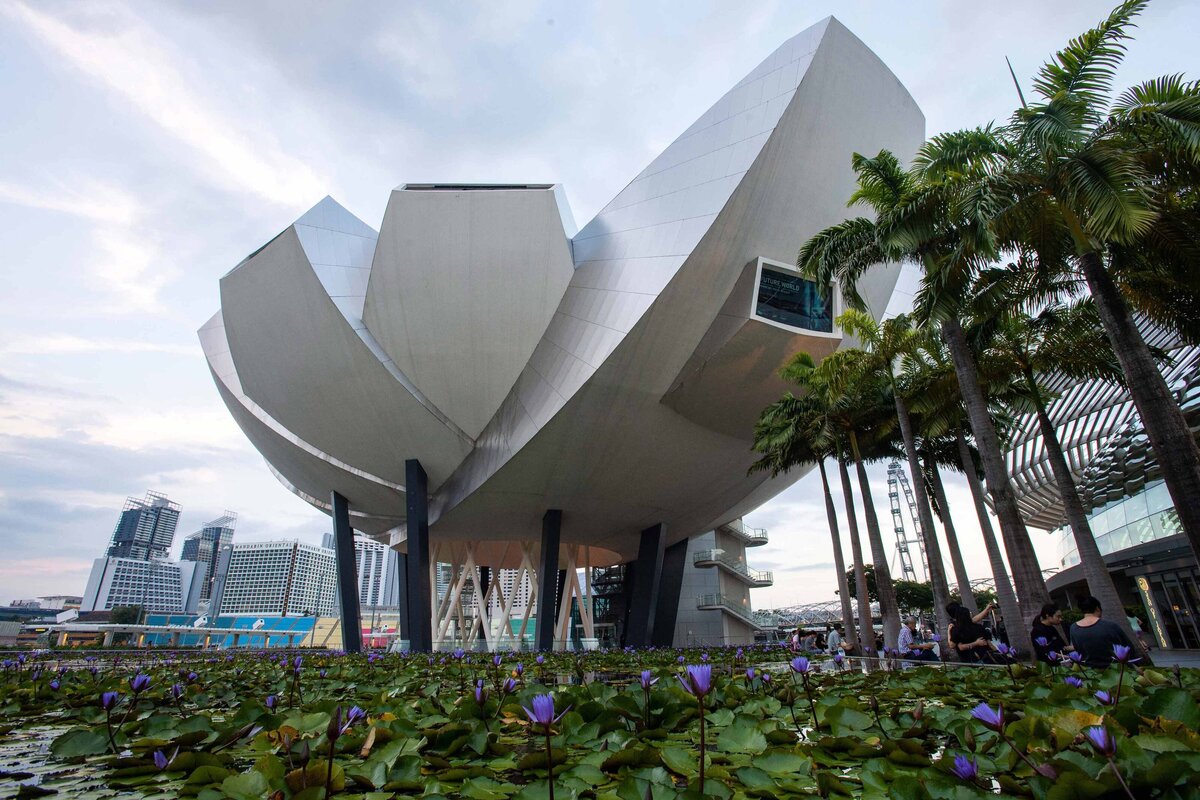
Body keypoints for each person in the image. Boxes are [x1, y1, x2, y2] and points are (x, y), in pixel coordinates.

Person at [1070, 596, 1135, 668]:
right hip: (1117, 670)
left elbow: (1078, 650)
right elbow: (1128, 647)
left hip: (1092, 673)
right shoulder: (1110, 625)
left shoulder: (1073, 628)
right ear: (1097, 608)